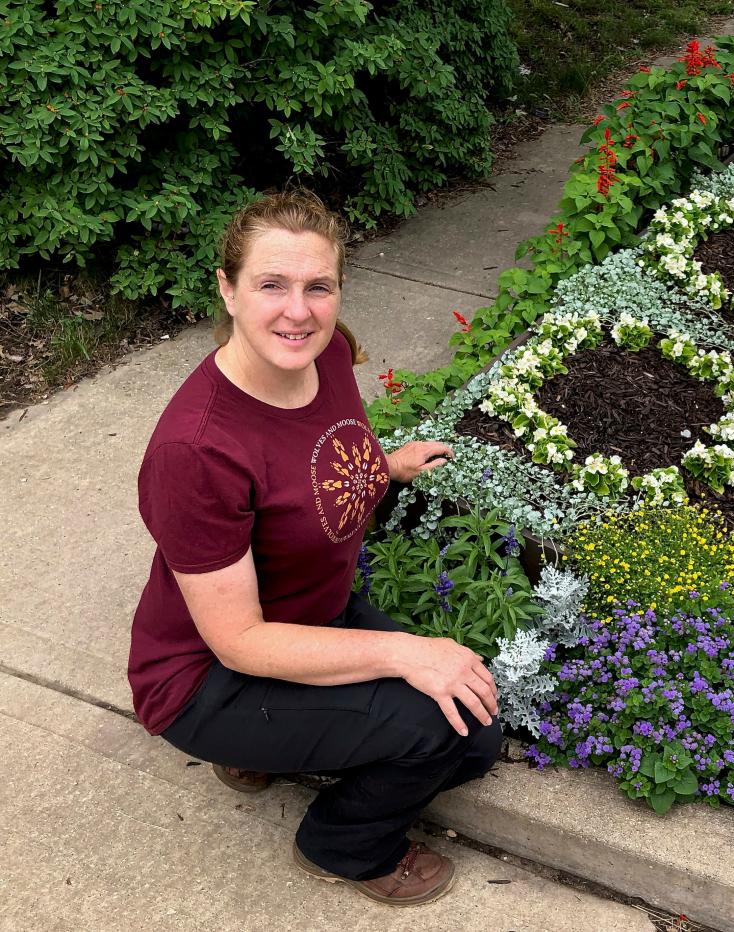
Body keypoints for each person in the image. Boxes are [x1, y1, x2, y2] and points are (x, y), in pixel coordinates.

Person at [128, 189, 501, 907]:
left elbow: (313, 458)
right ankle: (342, 844)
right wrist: (405, 652)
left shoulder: (322, 353)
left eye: (317, 286)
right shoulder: (196, 451)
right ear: (228, 290)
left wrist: (383, 467)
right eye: (271, 284)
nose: (298, 311)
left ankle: (274, 750)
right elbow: (237, 642)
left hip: (311, 620)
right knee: (436, 726)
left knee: (476, 729)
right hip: (208, 676)